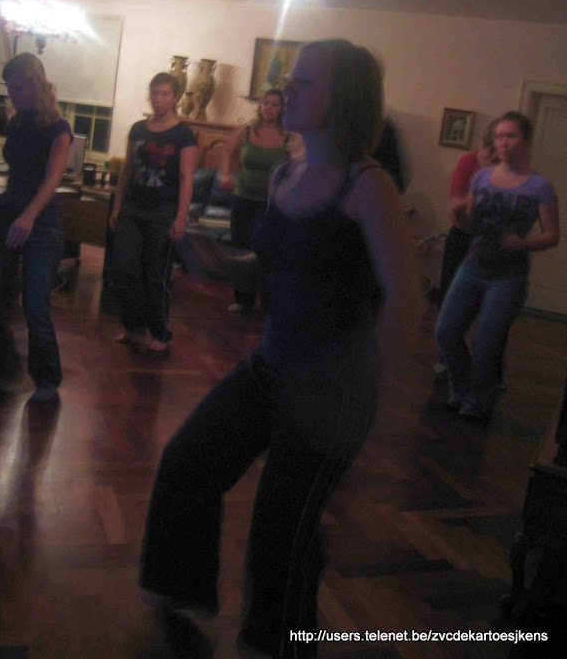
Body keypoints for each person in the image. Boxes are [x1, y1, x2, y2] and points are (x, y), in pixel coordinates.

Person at [139, 39, 421, 658]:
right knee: (187, 464)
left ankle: (278, 646)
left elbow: (407, 300)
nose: (287, 90)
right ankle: (181, 591)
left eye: (305, 81)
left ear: (345, 99)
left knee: (281, 530)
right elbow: (268, 268)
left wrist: (374, 394)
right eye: (290, 78)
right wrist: (216, 262)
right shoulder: (287, 174)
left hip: (333, 390)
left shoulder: (367, 184)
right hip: (270, 367)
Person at [436, 111, 559, 421]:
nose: (503, 143)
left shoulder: (540, 187)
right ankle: (462, 389)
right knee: (445, 332)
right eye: (499, 137)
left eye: (510, 136)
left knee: (486, 344)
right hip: (472, 267)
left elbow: (552, 235)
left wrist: (525, 243)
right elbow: (471, 224)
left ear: (525, 140)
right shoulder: (481, 177)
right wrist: (459, 214)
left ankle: (477, 402)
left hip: (508, 278)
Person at [0, 52, 72, 404]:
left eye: (17, 87)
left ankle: (47, 380)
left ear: (35, 84)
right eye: (9, 87)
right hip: (6, 219)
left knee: (34, 307)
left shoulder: (59, 129)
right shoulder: (17, 122)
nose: (11, 94)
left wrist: (29, 216)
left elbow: (52, 179)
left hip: (41, 225)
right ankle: (6, 372)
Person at [109, 72, 198, 353]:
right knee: (122, 268)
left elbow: (186, 178)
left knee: (155, 274)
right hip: (133, 208)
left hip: (162, 212)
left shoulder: (184, 135)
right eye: (155, 93)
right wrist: (117, 206)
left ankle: (160, 332)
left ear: (176, 97)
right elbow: (127, 170)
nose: (158, 99)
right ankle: (134, 327)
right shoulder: (138, 130)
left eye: (164, 94)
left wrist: (181, 217)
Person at [220, 88, 301, 314]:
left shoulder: (290, 137)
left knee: (267, 251)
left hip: (272, 204)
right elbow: (226, 152)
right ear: (261, 105)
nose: (269, 108)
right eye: (266, 103)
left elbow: (298, 166)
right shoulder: (245, 131)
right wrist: (226, 174)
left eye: (275, 104)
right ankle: (242, 299)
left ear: (282, 109)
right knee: (241, 248)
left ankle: (267, 301)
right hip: (243, 199)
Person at [433, 120, 498, 375]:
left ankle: (489, 368)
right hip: (462, 239)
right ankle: (446, 357)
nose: (493, 155)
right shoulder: (468, 162)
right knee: (449, 298)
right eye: (490, 148)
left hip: (491, 243)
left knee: (490, 306)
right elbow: (459, 215)